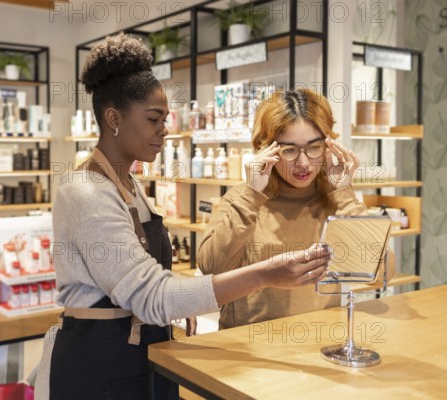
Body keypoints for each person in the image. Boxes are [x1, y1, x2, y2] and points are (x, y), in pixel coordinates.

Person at [34, 34, 330, 400]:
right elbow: (153, 295)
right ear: (113, 118)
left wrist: (177, 300)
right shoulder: (85, 191)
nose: (165, 130)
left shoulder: (129, 183)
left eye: (166, 119)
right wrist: (266, 274)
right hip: (99, 369)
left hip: (140, 354)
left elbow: (142, 276)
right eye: (154, 119)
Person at [198, 88, 392, 330]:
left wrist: (344, 192)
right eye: (289, 150)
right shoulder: (242, 199)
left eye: (314, 147)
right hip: (247, 348)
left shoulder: (336, 201)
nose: (303, 163)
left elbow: (382, 272)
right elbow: (210, 268)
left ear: (329, 146)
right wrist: (251, 195)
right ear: (265, 148)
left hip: (321, 342)